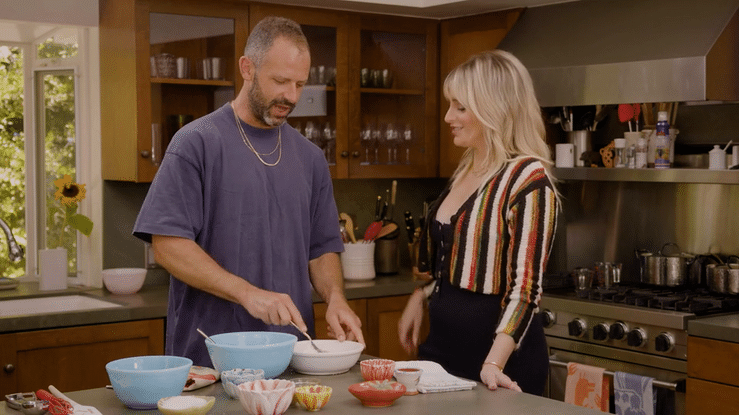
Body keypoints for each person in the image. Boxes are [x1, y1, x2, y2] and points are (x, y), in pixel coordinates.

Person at [133, 16, 364, 367]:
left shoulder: (311, 158)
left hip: (291, 360)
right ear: (247, 68)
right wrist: (247, 294)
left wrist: (335, 298)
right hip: (209, 361)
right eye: (280, 81)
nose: (291, 96)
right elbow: (168, 246)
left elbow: (321, 250)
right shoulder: (195, 142)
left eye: (300, 84)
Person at [397, 50, 559, 396]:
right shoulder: (469, 167)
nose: (448, 117)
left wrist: (493, 364)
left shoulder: (528, 179)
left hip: (499, 364)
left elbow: (526, 291)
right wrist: (420, 295)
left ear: (493, 109)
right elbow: (457, 256)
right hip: (442, 353)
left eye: (460, 107)